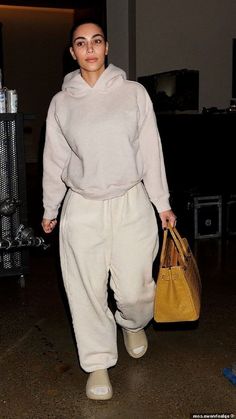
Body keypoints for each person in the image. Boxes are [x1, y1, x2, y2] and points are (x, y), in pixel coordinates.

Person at [41, 19, 176, 401]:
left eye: (96, 41)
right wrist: (51, 207)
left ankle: (131, 323)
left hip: (130, 201)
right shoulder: (61, 103)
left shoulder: (133, 94)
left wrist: (161, 203)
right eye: (81, 43)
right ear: (72, 52)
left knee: (136, 292)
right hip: (81, 207)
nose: (90, 49)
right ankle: (98, 361)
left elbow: (150, 150)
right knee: (85, 290)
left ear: (107, 46)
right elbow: (54, 160)